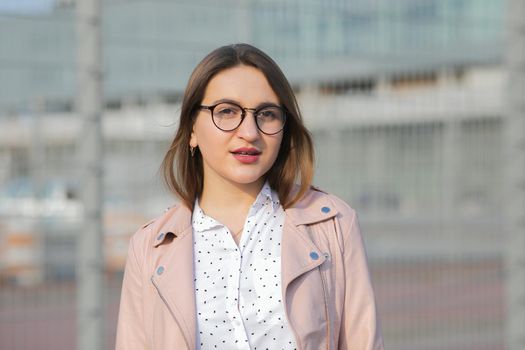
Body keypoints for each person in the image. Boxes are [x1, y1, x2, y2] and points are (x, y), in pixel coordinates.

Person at [116, 43, 384, 350]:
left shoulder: (333, 224)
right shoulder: (150, 247)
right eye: (227, 112)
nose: (250, 132)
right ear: (191, 129)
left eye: (267, 114)